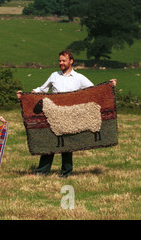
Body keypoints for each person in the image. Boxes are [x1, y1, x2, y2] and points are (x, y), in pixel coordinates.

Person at [16, 49, 117, 178]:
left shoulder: (79, 78)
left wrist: (109, 86)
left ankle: (66, 173)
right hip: (56, 115)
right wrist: (25, 96)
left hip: (71, 116)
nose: (61, 63)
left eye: (63, 60)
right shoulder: (54, 76)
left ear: (71, 61)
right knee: (50, 142)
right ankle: (41, 172)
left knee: (68, 144)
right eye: (59, 60)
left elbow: (94, 90)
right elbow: (42, 89)